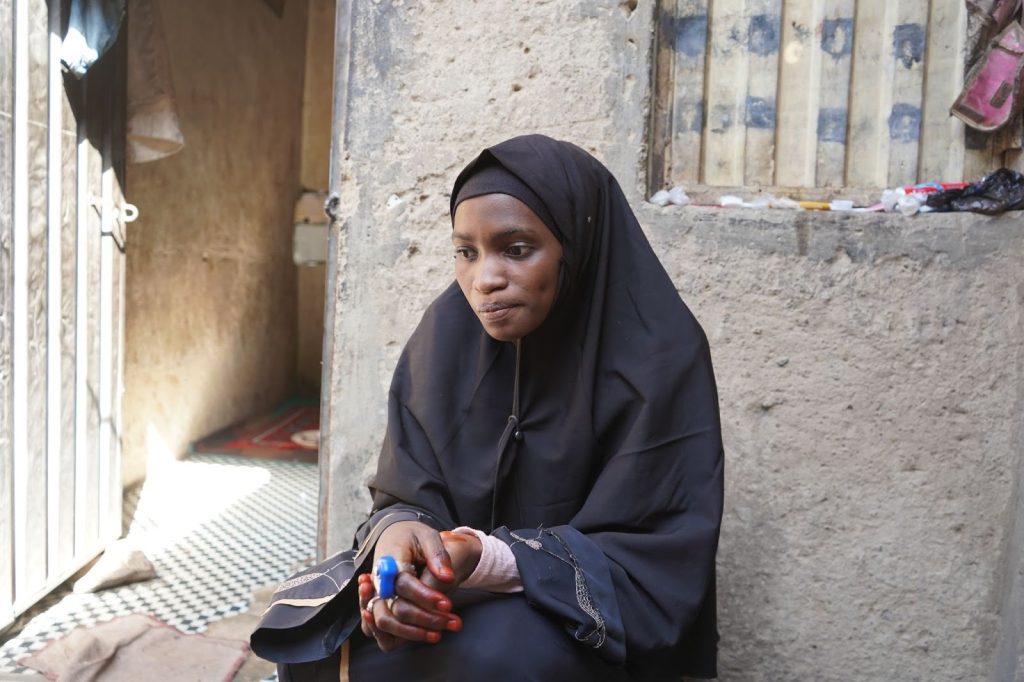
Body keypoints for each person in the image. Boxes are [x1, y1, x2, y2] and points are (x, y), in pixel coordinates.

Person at [251, 135, 724, 681]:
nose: (485, 279)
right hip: (456, 593)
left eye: (516, 249)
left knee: (495, 655)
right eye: (465, 251)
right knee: (320, 642)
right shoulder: (445, 336)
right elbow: (407, 493)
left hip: (589, 622)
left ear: (577, 244)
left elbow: (655, 562)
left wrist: (485, 557)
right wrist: (401, 545)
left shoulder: (659, 357)